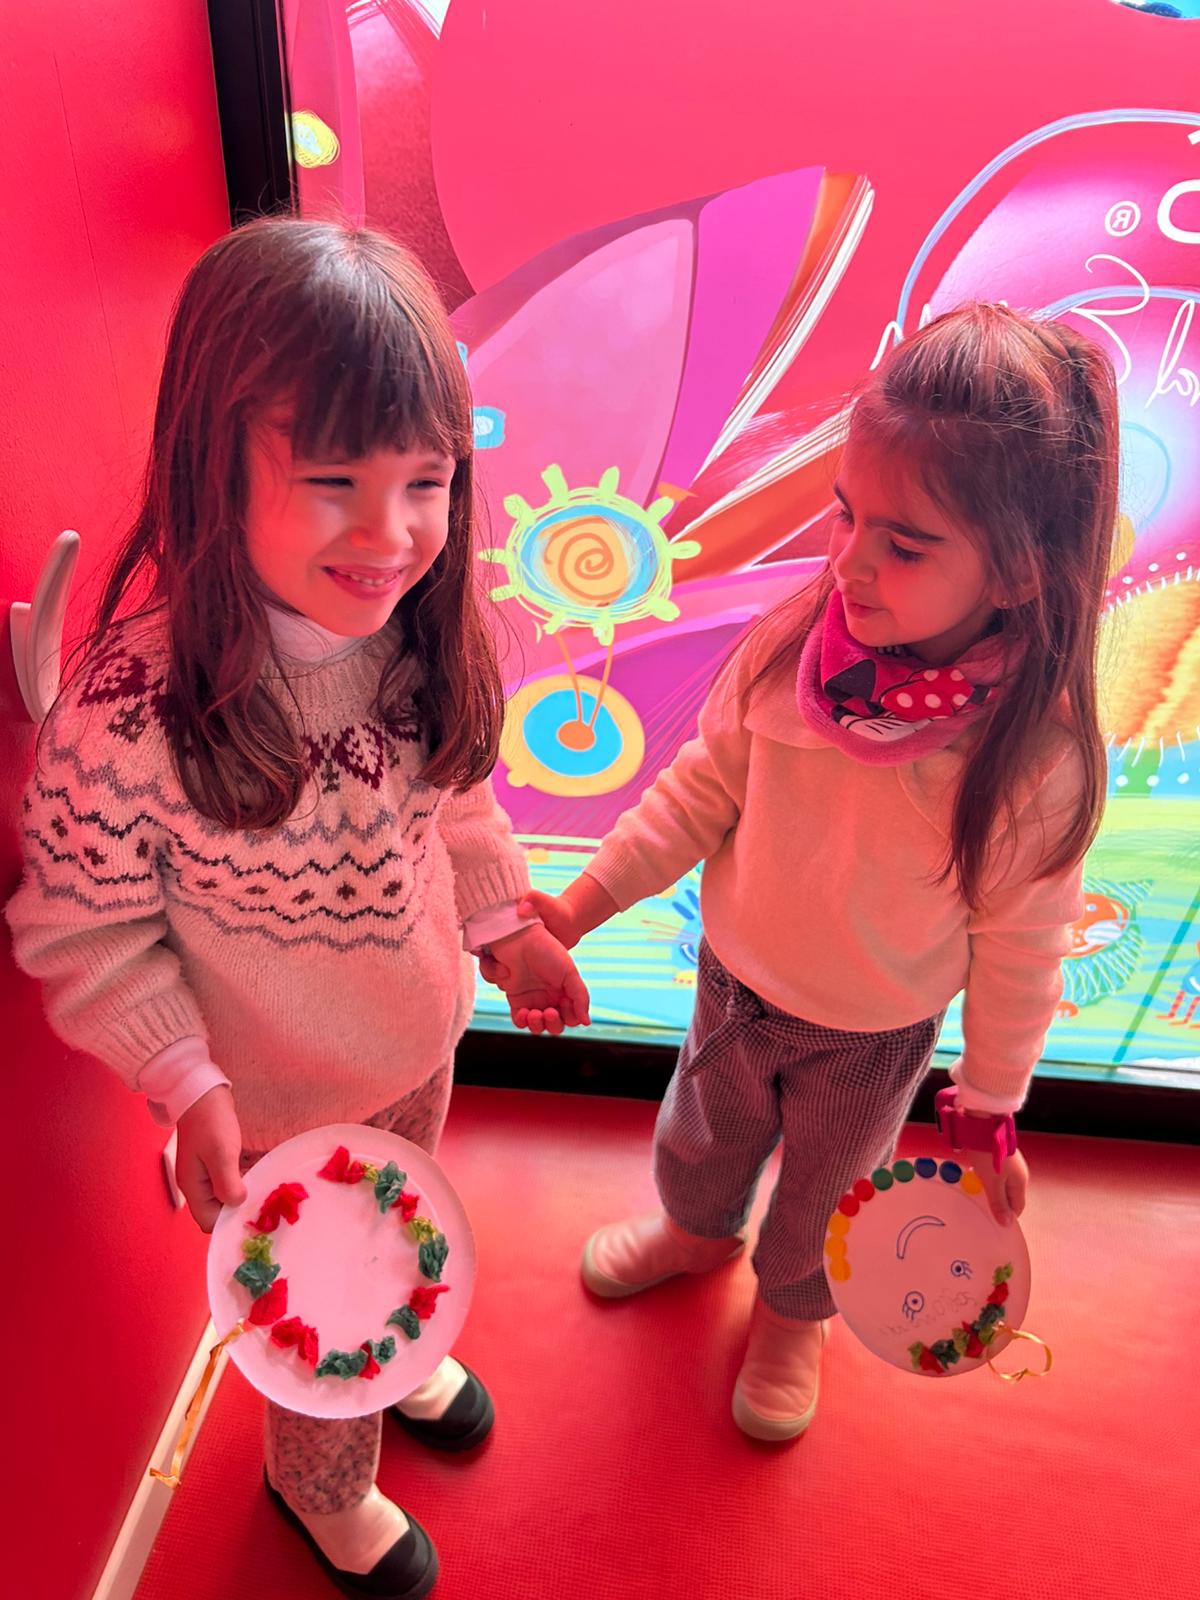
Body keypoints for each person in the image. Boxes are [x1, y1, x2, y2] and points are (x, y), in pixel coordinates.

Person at [7, 217, 588, 1600]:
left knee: (387, 1250)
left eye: (425, 483)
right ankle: (321, 1484)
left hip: (414, 1047)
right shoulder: (129, 713)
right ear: (217, 468)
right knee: (316, 1312)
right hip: (268, 1105)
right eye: (334, 482)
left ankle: (399, 1335)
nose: (390, 535)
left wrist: (506, 929)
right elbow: (83, 925)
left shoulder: (419, 641)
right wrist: (184, 1075)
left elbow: (456, 804)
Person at [488, 303, 1117, 1442]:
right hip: (734, 982)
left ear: (1023, 572)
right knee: (698, 1140)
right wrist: (578, 905)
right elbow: (699, 791)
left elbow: (1023, 951)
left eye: (905, 545)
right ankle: (696, 1237)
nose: (850, 562)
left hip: (873, 1033)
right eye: (845, 512)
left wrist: (990, 1107)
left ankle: (794, 1313)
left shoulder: (1033, 760)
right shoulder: (793, 650)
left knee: (829, 1192)